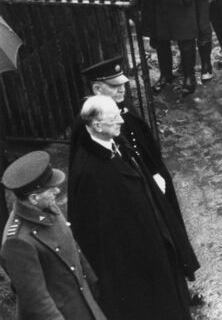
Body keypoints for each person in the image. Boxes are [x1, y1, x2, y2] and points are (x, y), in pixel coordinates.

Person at [68, 95, 200, 320]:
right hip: (134, 259)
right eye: (114, 118)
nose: (121, 120)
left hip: (154, 239)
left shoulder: (118, 144)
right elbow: (96, 233)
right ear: (97, 125)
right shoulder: (88, 172)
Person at [73, 56, 198, 272]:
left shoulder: (121, 106)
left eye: (122, 84)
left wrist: (156, 172)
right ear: (97, 88)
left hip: (148, 175)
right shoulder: (92, 122)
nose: (122, 89)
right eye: (114, 86)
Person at [0, 151, 106, 320]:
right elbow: (37, 301)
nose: (57, 190)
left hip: (84, 302)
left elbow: (72, 246)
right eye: (51, 189)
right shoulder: (17, 242)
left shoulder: (46, 207)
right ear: (34, 198)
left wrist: (94, 284)